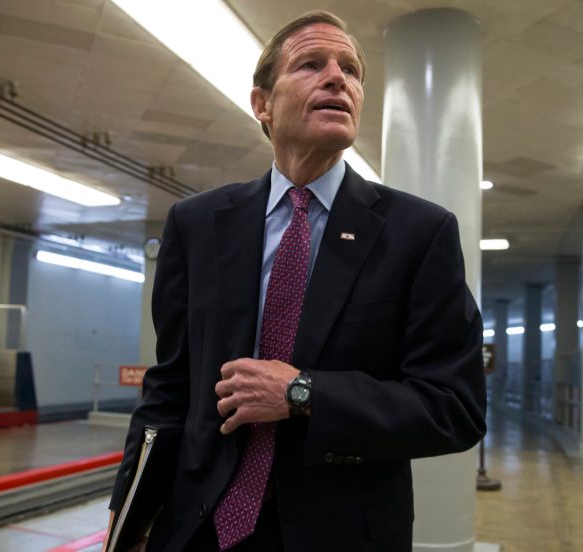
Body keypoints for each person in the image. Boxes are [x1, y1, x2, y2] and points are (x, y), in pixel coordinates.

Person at [107, 10, 486, 552]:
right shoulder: (197, 225)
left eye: (351, 70)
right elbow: (169, 389)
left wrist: (303, 392)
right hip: (197, 527)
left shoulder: (419, 233)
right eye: (311, 64)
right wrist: (129, 517)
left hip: (341, 533)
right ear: (262, 103)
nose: (338, 78)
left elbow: (455, 406)